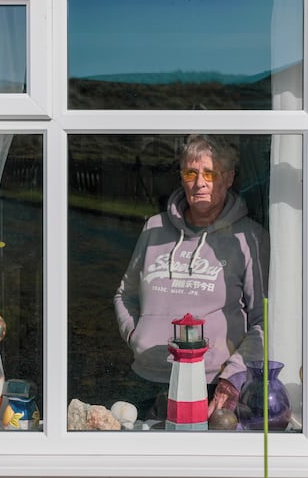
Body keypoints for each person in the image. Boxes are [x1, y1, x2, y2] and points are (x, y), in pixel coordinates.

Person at [114, 134, 269, 421]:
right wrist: (137, 337)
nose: (200, 183)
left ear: (229, 177)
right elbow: (125, 294)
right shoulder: (154, 228)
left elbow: (264, 320)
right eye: (191, 173)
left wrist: (232, 377)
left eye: (210, 173)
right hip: (146, 377)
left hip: (212, 385)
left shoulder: (248, 238)